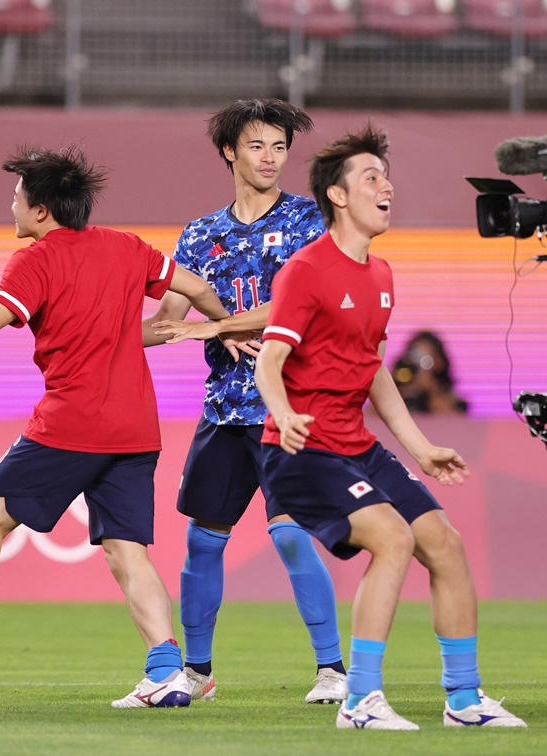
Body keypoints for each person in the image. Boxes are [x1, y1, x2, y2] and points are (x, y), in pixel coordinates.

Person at [0, 146, 230, 708]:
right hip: (134, 429)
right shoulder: (128, 248)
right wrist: (228, 327)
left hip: (70, 422)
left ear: (42, 211)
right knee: (129, 551)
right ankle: (168, 671)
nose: (11, 206)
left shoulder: (36, 260)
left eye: (16, 197)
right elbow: (194, 290)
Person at [255, 123, 526, 730]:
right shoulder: (304, 271)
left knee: (446, 547)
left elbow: (373, 371)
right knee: (393, 540)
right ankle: (359, 699)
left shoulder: (381, 276)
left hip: (358, 447)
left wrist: (422, 448)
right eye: (371, 177)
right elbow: (269, 361)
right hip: (302, 451)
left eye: (387, 176)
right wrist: (283, 412)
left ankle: (463, 699)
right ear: (339, 196)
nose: (387, 187)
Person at [143, 99, 348, 705]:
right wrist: (111, 335)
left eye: (280, 147)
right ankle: (197, 674)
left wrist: (218, 327)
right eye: (257, 146)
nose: (270, 158)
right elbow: (169, 320)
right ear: (230, 152)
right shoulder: (200, 233)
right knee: (203, 542)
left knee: (290, 536)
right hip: (224, 411)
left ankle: (332, 671)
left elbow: (301, 310)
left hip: (287, 407)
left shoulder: (313, 223)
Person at [392, 330, 468, 415]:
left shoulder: (453, 400)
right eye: (415, 358)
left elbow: (456, 421)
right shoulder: (401, 393)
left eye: (425, 360)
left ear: (440, 362)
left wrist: (430, 390)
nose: (419, 366)